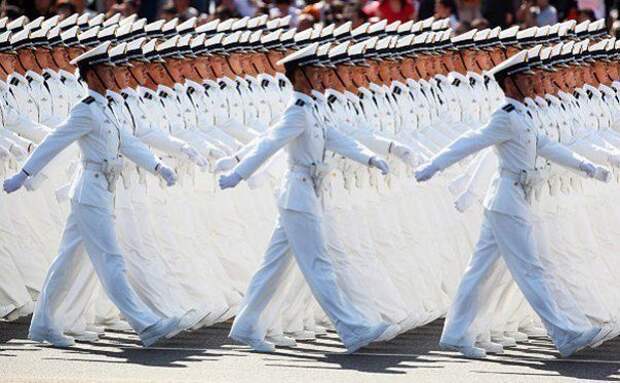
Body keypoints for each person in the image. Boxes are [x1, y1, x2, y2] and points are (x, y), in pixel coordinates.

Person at [414, 50, 612, 359]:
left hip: (513, 199)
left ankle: (455, 334)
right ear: (511, 83)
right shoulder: (505, 115)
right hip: (508, 200)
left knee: (479, 271)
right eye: (526, 79)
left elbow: (547, 147)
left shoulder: (523, 114)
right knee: (531, 268)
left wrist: (586, 166)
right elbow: (471, 142)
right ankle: (566, 334)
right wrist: (433, 166)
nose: (535, 82)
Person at [2, 41, 191, 348]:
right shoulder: (86, 111)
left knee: (66, 263)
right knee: (111, 259)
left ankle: (43, 324)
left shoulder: (105, 110)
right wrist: (24, 174)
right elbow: (54, 141)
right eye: (105, 70)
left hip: (101, 191)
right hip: (91, 191)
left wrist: (158, 166)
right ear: (91, 76)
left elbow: (128, 143)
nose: (113, 74)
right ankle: (146, 324)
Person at [218, 43, 399, 353]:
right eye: (313, 71)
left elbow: (333, 138)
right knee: (319, 265)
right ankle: (353, 329)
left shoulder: (312, 107)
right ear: (299, 75)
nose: (320, 76)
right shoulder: (298, 110)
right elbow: (271, 142)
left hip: (306, 194)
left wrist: (369, 157)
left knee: (273, 266)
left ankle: (247, 325)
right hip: (298, 195)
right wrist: (238, 173)